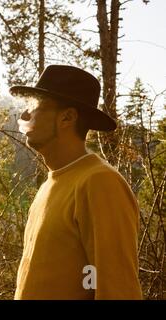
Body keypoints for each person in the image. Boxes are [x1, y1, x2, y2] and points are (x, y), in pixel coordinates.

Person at [11, 65, 143, 300]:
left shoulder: (100, 183)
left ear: (67, 117)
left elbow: (117, 289)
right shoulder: (50, 184)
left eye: (34, 107)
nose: (24, 116)